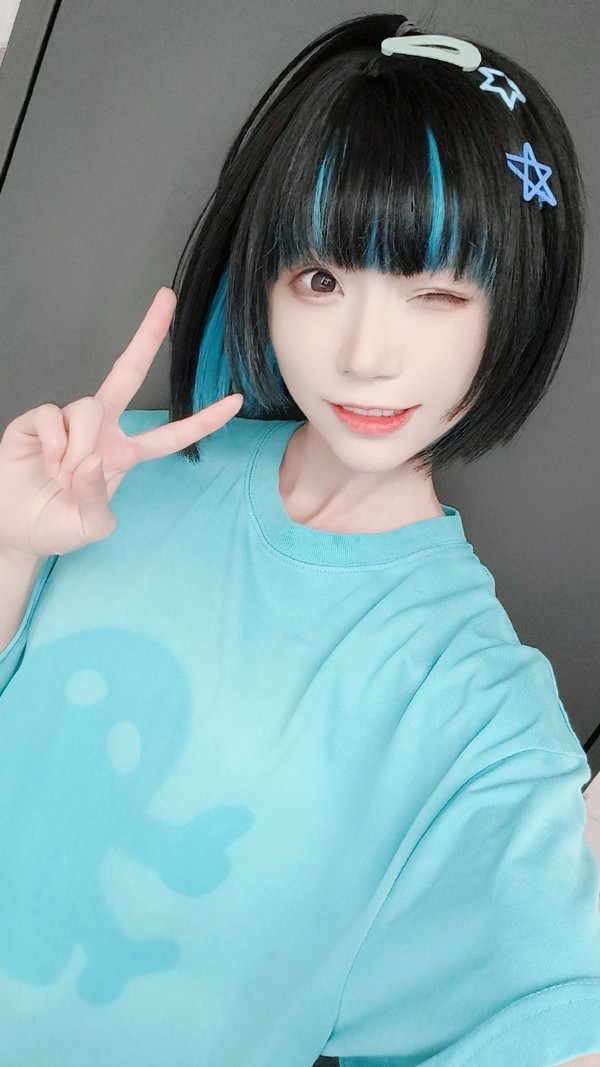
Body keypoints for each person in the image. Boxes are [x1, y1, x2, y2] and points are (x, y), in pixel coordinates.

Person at [0, 12, 599, 1067]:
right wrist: (10, 547)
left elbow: (546, 1011)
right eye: (322, 279)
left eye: (435, 291)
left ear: (513, 310)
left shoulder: (478, 706)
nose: (365, 354)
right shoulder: (121, 471)